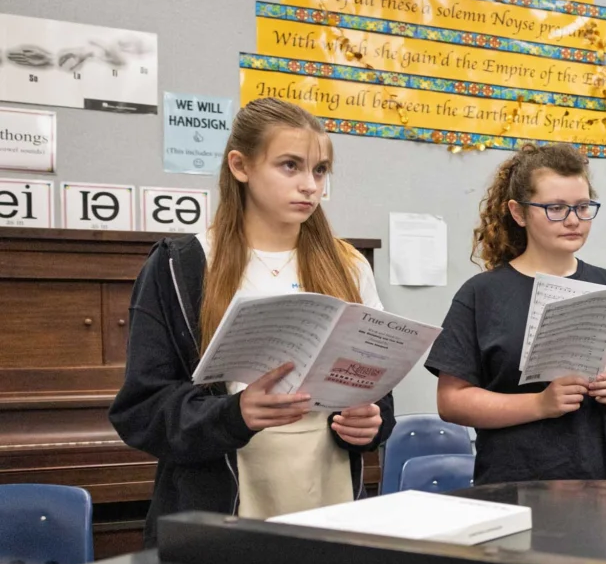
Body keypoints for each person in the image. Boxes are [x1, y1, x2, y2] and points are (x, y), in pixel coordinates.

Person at [110, 98, 394, 541]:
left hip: (326, 486)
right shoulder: (180, 265)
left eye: (319, 171)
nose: (309, 186)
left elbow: (374, 380)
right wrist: (234, 413)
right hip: (221, 494)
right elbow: (141, 410)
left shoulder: (348, 263)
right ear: (240, 166)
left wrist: (370, 423)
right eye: (289, 166)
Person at [427, 143, 606, 485]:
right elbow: (451, 401)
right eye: (556, 208)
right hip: (519, 478)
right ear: (518, 213)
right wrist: (540, 404)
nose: (573, 220)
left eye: (582, 207)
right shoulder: (482, 294)